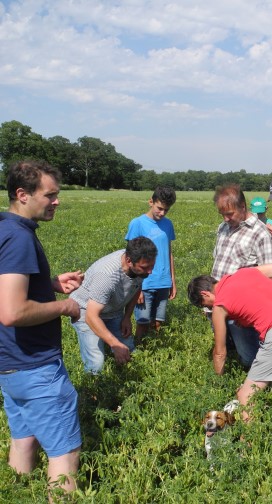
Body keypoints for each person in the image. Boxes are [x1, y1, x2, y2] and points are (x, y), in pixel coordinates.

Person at [0, 160, 84, 498]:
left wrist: (49, 284)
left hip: (9, 365)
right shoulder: (19, 238)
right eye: (50, 195)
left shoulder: (4, 230)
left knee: (23, 441)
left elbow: (8, 288)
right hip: (36, 366)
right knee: (65, 454)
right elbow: (12, 311)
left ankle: (16, 494)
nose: (56, 201)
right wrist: (65, 306)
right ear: (23, 194)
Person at [187, 262, 272, 421]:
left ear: (205, 294)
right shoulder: (245, 273)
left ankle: (248, 443)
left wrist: (218, 383)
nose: (208, 309)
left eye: (204, 305)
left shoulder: (219, 306)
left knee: (245, 395)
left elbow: (220, 353)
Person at [211, 184, 272, 368]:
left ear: (242, 207)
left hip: (240, 312)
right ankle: (228, 378)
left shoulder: (260, 233)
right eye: (222, 214)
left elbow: (270, 277)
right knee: (227, 347)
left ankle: (256, 387)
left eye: (230, 214)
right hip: (218, 304)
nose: (225, 219)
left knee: (249, 356)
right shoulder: (223, 227)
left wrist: (248, 314)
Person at [70, 237, 157, 374]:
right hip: (86, 311)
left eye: (152, 266)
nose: (150, 271)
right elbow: (91, 316)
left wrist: (127, 317)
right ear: (129, 261)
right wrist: (114, 344)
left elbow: (136, 286)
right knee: (96, 362)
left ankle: (125, 378)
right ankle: (93, 390)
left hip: (112, 310)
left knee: (129, 350)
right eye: (146, 267)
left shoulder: (140, 266)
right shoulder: (107, 275)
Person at [125, 186, 177, 341]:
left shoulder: (168, 224)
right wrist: (136, 288)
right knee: (143, 322)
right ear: (150, 202)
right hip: (144, 283)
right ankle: (138, 348)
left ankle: (154, 353)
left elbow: (169, 252)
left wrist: (172, 281)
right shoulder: (137, 223)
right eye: (159, 208)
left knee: (158, 321)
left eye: (166, 210)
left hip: (163, 281)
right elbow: (131, 256)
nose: (162, 213)